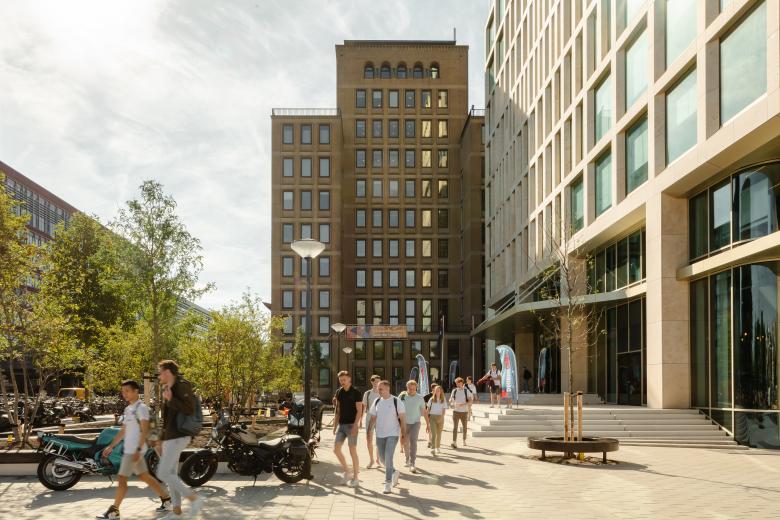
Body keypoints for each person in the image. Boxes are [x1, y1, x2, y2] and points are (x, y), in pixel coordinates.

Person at [96, 380, 171, 520]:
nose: (124, 394)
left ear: (136, 391)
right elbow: (123, 431)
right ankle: (166, 499)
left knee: (122, 478)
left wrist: (138, 449)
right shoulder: (128, 409)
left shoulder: (141, 408)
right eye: (123, 391)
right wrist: (111, 446)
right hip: (131, 449)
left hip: (134, 450)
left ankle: (114, 511)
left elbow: (145, 430)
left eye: (127, 391)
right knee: (144, 477)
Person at [157, 359, 204, 519]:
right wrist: (161, 439)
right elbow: (167, 418)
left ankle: (194, 499)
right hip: (171, 436)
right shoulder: (168, 387)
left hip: (180, 435)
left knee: (163, 472)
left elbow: (189, 408)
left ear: (167, 372)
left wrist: (171, 399)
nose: (159, 376)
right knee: (171, 474)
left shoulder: (181, 385)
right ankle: (177, 512)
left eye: (160, 372)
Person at [368, 380, 406, 494]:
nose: (378, 390)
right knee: (382, 459)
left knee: (388, 457)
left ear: (388, 388)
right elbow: (373, 418)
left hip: (393, 434)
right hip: (380, 434)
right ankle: (394, 472)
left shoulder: (396, 401)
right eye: (378, 389)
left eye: (380, 389)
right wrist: (369, 431)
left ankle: (388, 483)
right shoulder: (377, 401)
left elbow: (403, 418)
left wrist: (403, 434)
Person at [333, 370, 363, 487]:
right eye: (340, 380)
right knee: (336, 449)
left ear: (349, 379)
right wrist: (335, 425)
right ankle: (347, 472)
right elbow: (338, 409)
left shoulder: (356, 393)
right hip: (342, 425)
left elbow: (359, 410)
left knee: (352, 451)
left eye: (344, 379)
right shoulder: (339, 392)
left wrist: (356, 425)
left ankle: (356, 478)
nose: (342, 382)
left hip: (351, 425)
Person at [400, 380, 428, 473]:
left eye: (413, 388)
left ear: (416, 388)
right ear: (407, 388)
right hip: (404, 423)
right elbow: (397, 408)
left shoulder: (420, 398)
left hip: (415, 423)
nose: (411, 390)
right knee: (405, 442)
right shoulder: (402, 396)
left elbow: (424, 411)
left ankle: (412, 463)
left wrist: (428, 424)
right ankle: (407, 459)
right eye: (409, 388)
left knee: (413, 442)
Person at [361, 375, 381, 469]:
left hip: (380, 418)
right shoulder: (367, 393)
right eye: (375, 381)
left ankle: (378, 460)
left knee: (379, 439)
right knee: (369, 439)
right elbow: (364, 407)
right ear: (372, 382)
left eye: (379, 381)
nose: (377, 383)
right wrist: (360, 420)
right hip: (369, 418)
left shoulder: (383, 393)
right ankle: (371, 460)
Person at [449, 377, 472, 448]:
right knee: (455, 427)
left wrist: (463, 404)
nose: (457, 384)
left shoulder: (466, 391)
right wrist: (451, 402)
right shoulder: (454, 391)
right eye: (456, 383)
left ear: (462, 383)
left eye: (458, 383)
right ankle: (454, 441)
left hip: (464, 412)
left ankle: (464, 439)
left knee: (465, 427)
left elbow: (470, 400)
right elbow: (451, 399)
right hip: (456, 411)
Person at [426, 384, 446, 455]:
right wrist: (427, 419)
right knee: (433, 433)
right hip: (432, 417)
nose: (437, 392)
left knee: (439, 433)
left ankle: (438, 447)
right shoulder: (431, 399)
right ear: (434, 391)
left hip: (440, 417)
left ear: (441, 392)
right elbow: (428, 409)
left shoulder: (443, 400)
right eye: (436, 391)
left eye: (439, 391)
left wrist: (441, 417)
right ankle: (433, 448)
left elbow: (444, 410)